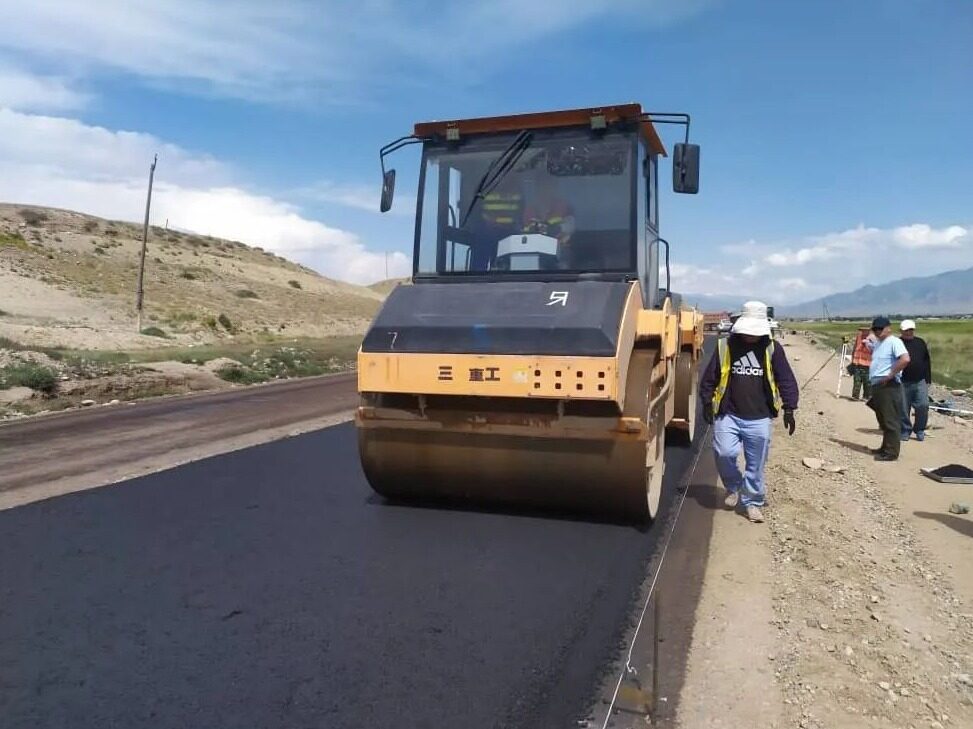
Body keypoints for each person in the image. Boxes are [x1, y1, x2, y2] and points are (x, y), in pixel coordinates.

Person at [699, 300, 799, 523]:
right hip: (729, 414)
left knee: (756, 464)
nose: (751, 336)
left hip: (759, 417)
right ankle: (734, 487)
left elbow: (786, 379)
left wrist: (790, 408)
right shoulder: (725, 346)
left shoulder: (772, 348)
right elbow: (710, 377)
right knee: (724, 453)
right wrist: (707, 402)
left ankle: (752, 502)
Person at [865, 316, 910, 461]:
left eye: (880, 328)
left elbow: (905, 359)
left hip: (888, 384)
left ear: (888, 328)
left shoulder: (894, 342)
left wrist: (891, 374)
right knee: (883, 418)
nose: (877, 331)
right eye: (875, 329)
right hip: (878, 384)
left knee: (890, 419)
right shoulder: (879, 343)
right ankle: (885, 447)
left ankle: (891, 452)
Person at [899, 319, 932, 442]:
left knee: (923, 405)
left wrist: (928, 378)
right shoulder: (897, 343)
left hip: (919, 380)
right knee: (903, 407)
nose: (909, 332)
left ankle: (919, 429)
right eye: (906, 330)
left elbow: (926, 360)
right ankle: (905, 430)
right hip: (902, 381)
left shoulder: (920, 342)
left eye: (911, 330)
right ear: (901, 331)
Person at [849, 327, 873, 400]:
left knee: (867, 382)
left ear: (869, 330)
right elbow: (855, 348)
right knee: (857, 380)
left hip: (868, 364)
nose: (863, 332)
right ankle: (855, 396)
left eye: (865, 330)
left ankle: (866, 396)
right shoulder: (858, 337)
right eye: (862, 330)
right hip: (857, 362)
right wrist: (852, 359)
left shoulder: (872, 338)